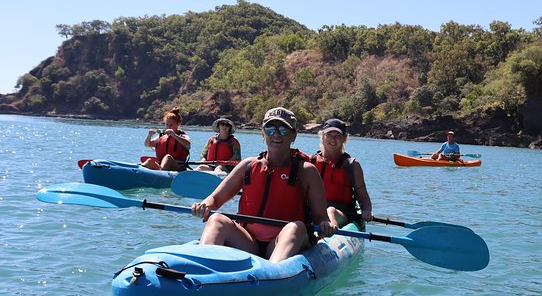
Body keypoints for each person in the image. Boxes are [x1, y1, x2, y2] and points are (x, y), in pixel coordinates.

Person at [191, 107, 336, 263]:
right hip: (248, 241)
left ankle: (273, 275)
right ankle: (202, 268)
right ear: (262, 133)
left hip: (285, 240)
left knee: (296, 227)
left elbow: (321, 217)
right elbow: (215, 199)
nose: (277, 135)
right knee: (217, 220)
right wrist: (204, 205)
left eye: (284, 130)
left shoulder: (307, 171)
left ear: (293, 135)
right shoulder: (247, 166)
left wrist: (325, 225)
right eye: (270, 129)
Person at [311, 118, 373, 227]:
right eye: (329, 135)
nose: (333, 139)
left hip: (342, 214)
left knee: (331, 211)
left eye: (338, 136)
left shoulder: (352, 165)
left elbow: (363, 197)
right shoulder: (311, 162)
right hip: (314, 213)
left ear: (344, 139)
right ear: (322, 136)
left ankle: (326, 234)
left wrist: (367, 211)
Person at [140, 106, 191, 171]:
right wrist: (149, 136)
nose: (168, 127)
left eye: (171, 125)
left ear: (178, 124)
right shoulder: (161, 136)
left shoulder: (182, 136)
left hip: (178, 168)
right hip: (161, 166)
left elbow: (188, 145)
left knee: (168, 157)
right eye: (167, 124)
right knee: (149, 161)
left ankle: (160, 173)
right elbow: (147, 144)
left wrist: (174, 135)